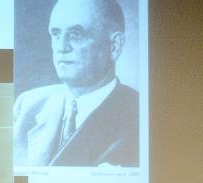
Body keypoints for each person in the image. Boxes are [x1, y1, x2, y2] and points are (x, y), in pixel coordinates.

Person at [13, 0, 139, 167]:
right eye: (56, 34)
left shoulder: (139, 115)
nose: (61, 47)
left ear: (114, 46)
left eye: (76, 34)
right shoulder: (28, 105)